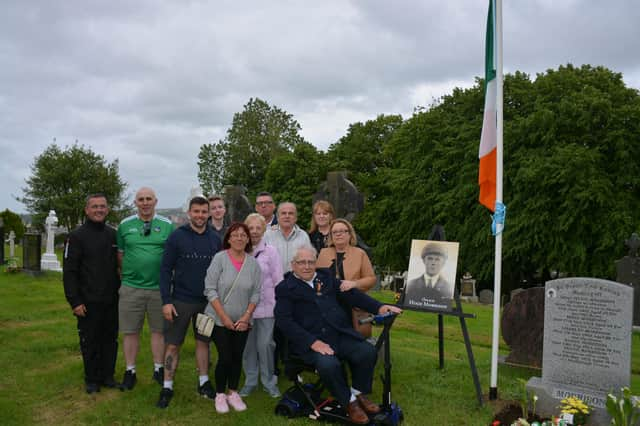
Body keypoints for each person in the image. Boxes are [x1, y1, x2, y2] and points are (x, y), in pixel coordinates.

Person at [274, 246, 402, 425]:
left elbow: (353, 295)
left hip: (337, 335)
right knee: (329, 364)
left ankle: (357, 394)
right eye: (301, 262)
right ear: (293, 265)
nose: (306, 266)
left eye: (310, 262)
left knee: (367, 352)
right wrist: (312, 342)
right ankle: (349, 403)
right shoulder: (285, 288)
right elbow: (284, 321)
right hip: (311, 342)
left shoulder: (326, 278)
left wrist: (379, 307)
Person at [156, 196, 222, 408]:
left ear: (209, 214)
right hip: (180, 301)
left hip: (206, 303)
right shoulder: (177, 237)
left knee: (203, 342)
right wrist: (166, 301)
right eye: (196, 212)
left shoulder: (215, 239)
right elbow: (165, 270)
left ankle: (203, 382)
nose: (200, 216)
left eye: (204, 212)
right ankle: (167, 386)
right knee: (173, 345)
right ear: (189, 213)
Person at [117, 187, 174, 390]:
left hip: (159, 289)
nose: (145, 202)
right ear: (136, 203)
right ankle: (130, 371)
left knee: (158, 331)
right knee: (130, 331)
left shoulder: (167, 225)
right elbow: (121, 254)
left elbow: (171, 256)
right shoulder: (125, 226)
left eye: (149, 198)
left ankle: (159, 368)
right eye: (141, 199)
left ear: (155, 201)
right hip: (131, 287)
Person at [63, 193, 120, 394]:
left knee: (110, 340)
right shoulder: (76, 236)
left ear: (107, 209)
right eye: (94, 206)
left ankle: (108, 376)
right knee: (90, 341)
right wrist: (74, 301)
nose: (99, 210)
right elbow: (69, 272)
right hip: (87, 301)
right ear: (86, 210)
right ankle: (92, 379)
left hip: (112, 300)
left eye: (102, 206)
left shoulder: (113, 235)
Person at [204, 222, 262, 413]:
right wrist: (224, 317)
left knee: (237, 357)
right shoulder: (219, 258)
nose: (239, 238)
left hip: (242, 321)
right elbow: (210, 289)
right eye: (235, 235)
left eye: (243, 235)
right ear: (228, 238)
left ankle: (233, 392)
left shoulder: (253, 264)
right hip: (219, 318)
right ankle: (220, 394)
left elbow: (256, 293)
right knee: (225, 356)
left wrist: (246, 317)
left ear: (248, 239)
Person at [239, 214, 283, 398]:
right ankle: (250, 381)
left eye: (259, 227)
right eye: (251, 227)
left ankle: (268, 382)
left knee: (265, 345)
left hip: (266, 306)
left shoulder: (271, 251)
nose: (255, 231)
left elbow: (278, 279)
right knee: (248, 347)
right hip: (244, 309)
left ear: (264, 230)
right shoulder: (239, 250)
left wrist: (280, 304)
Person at [316, 219, 376, 337]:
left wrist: (354, 284)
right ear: (331, 236)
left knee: (354, 339)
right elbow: (316, 278)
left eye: (342, 231)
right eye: (335, 232)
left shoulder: (360, 253)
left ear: (349, 234)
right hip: (328, 305)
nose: (338, 234)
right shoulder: (323, 253)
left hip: (352, 305)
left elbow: (371, 279)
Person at [264, 202, 311, 273]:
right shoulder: (268, 235)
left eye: (291, 213)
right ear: (278, 217)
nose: (287, 216)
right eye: (283, 213)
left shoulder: (303, 236)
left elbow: (308, 260)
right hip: (274, 281)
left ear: (296, 218)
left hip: (297, 280)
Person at [403, 242, 452, 310]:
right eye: (430, 258)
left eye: (437, 259)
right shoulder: (412, 284)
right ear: (423, 260)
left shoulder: (448, 288)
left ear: (443, 263)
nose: (433, 263)